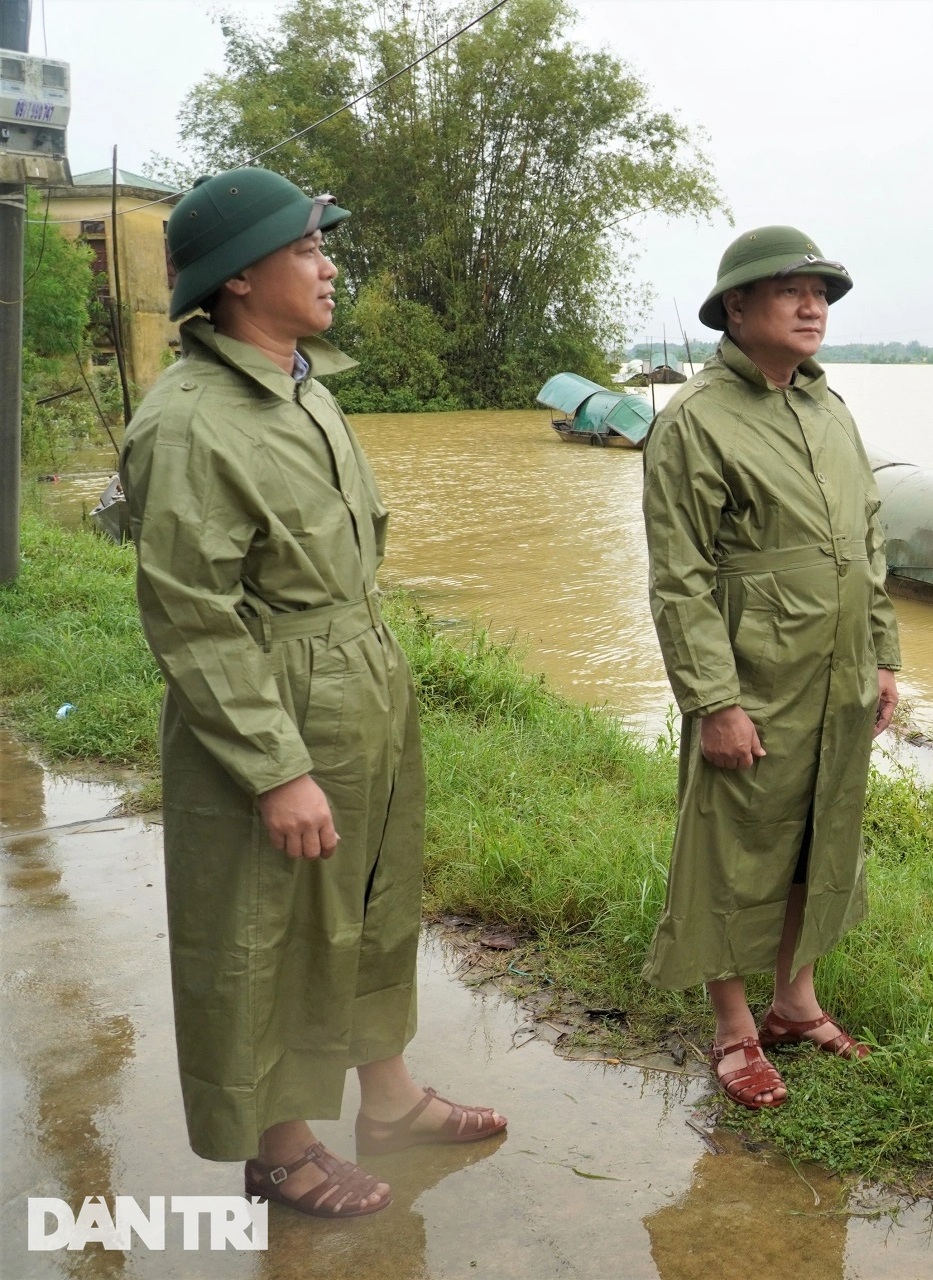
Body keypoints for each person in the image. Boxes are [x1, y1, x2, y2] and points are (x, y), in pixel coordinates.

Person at [119, 168, 505, 1220]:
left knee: (371, 901)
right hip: (270, 698)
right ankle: (279, 1147)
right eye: (307, 249)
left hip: (358, 675)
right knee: (268, 923)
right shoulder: (191, 420)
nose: (329, 265)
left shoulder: (303, 383)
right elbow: (193, 614)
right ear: (240, 278)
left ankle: (388, 1098)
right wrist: (276, 765)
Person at [642, 226, 901, 1110]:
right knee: (733, 842)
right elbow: (678, 577)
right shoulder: (696, 419)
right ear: (737, 308)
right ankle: (734, 1031)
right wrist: (714, 700)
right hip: (754, 667)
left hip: (838, 666)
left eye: (821, 291)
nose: (812, 305)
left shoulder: (830, 409)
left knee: (820, 831)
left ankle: (795, 1004)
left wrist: (886, 657)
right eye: (789, 290)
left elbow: (868, 539)